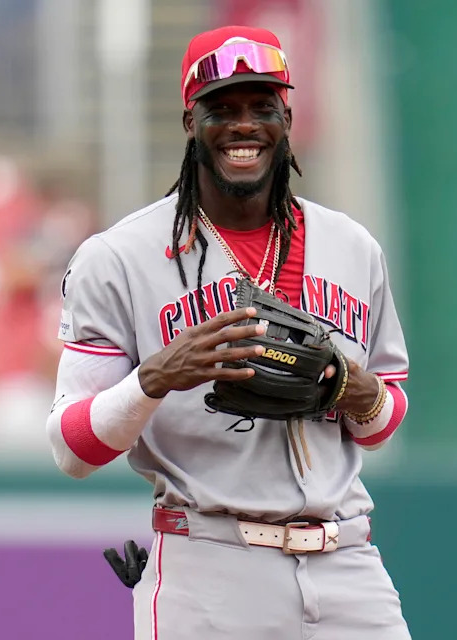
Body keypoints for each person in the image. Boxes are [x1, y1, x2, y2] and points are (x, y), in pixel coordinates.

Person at [46, 25, 412, 640]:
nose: (244, 125)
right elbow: (71, 448)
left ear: (286, 117)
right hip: (209, 561)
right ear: (191, 121)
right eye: (222, 108)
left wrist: (349, 387)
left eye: (261, 106)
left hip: (347, 561)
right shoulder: (120, 257)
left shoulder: (352, 248)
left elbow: (383, 419)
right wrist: (156, 378)